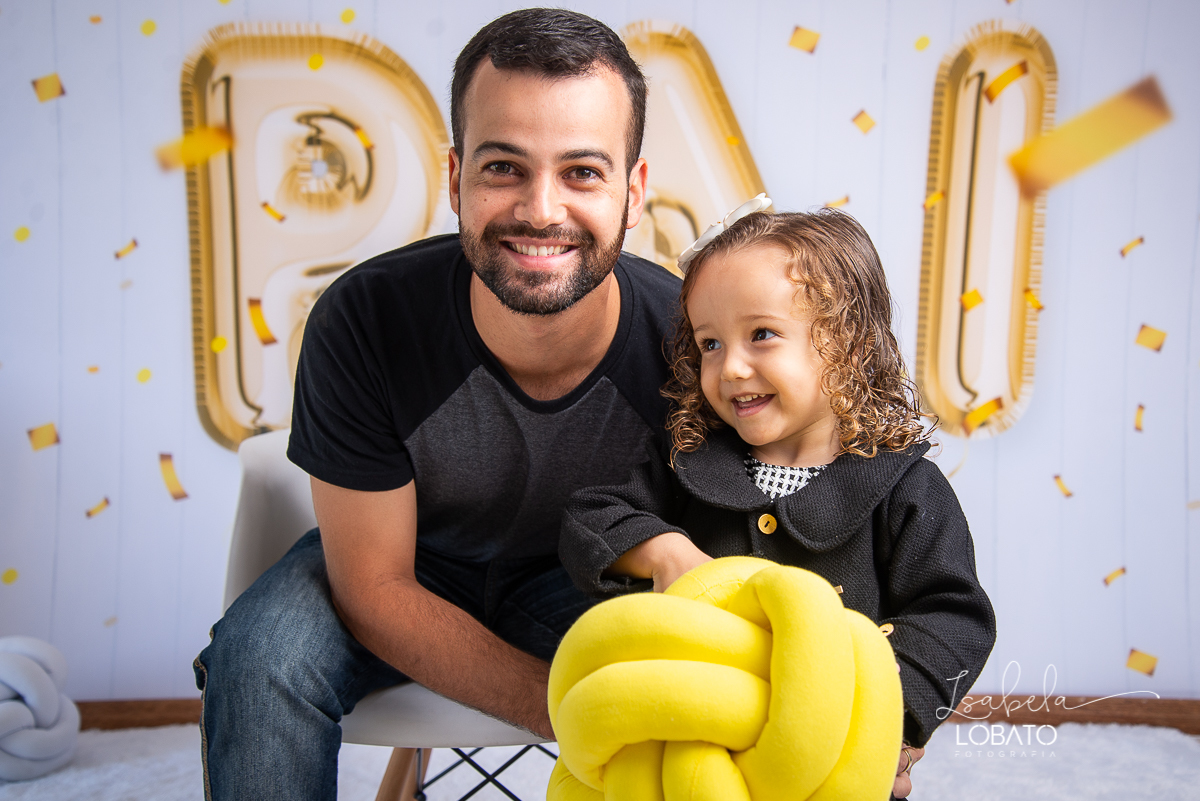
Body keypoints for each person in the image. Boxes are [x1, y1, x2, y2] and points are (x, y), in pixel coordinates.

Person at [193, 9, 682, 799]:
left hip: (586, 582)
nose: (541, 210)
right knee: (260, 657)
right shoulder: (362, 321)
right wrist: (561, 703)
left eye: (583, 172)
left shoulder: (695, 343)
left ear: (635, 189)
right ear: (456, 178)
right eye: (504, 168)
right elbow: (375, 588)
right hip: (403, 560)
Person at [561, 205, 997, 798]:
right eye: (709, 343)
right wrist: (664, 553)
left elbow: (954, 616)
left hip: (830, 756)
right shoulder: (687, 462)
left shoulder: (903, 489)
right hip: (700, 745)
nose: (731, 367)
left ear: (847, 341)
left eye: (761, 334)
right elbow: (590, 519)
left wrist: (894, 717)